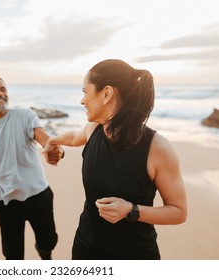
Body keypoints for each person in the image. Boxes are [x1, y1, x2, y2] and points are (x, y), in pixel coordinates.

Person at [44, 59, 187, 260]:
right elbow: (75, 137)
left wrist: (132, 210)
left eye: (85, 92)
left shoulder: (157, 147)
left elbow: (178, 212)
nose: (82, 101)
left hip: (134, 257)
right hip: (85, 250)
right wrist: (52, 140)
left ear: (106, 94)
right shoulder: (94, 129)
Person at [0, 74, 63, 260]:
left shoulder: (24, 116)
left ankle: (45, 254)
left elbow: (43, 138)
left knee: (48, 242)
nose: (0, 93)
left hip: (38, 195)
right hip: (6, 204)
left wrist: (54, 150)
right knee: (12, 257)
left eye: (3, 89)